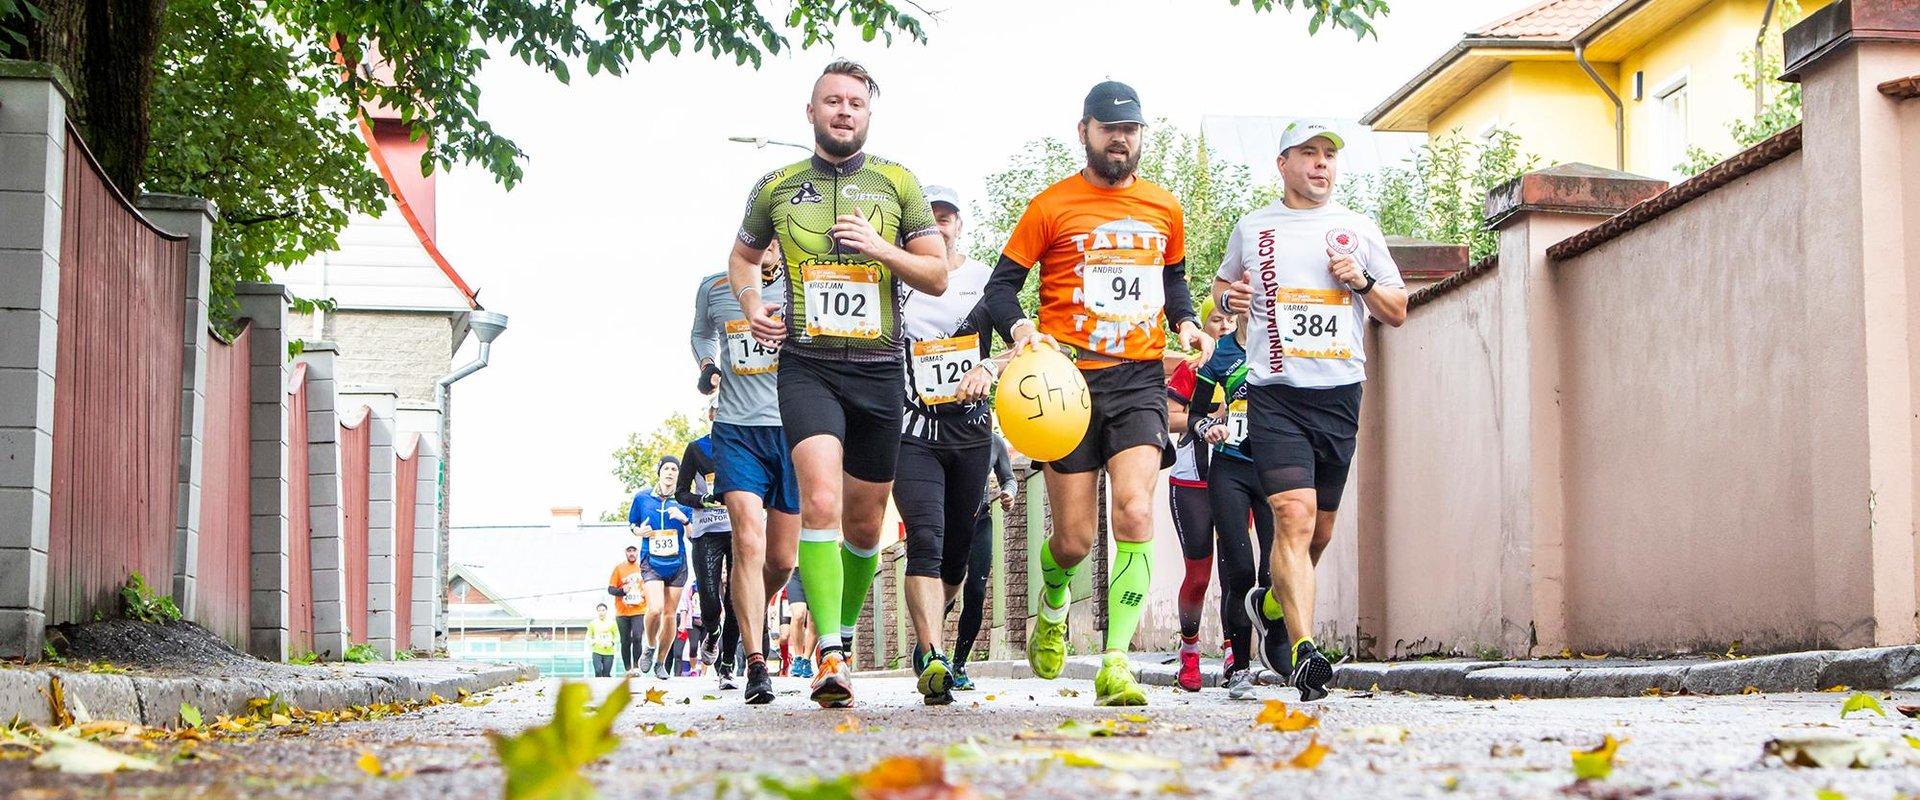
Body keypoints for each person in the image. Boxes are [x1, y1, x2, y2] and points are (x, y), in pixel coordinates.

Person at [982, 80, 1213, 707]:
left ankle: (1117, 661)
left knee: (1135, 512)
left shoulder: (1166, 208)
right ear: (1083, 131)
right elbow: (1000, 291)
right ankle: (1053, 599)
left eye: (1131, 129)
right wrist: (1026, 332)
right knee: (1074, 539)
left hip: (1138, 377)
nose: (1120, 138)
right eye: (1109, 128)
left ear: (1141, 136)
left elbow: (1174, 284)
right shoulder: (1050, 206)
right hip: (1067, 386)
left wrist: (1188, 321)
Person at [727, 59, 948, 708]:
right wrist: (750, 303)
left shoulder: (897, 183)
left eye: (855, 102)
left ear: (869, 114)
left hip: (880, 369)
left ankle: (843, 635)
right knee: (818, 500)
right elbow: (742, 256)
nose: (844, 111)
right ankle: (828, 651)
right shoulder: (775, 185)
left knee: (862, 523)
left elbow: (935, 275)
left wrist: (881, 249)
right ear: (811, 112)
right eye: (832, 101)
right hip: (808, 365)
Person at [1212, 120, 1408, 701]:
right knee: (1292, 520)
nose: (1322, 165)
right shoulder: (1254, 227)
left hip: (1339, 392)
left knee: (1318, 531)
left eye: (1329, 156)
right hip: (1276, 391)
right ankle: (1303, 651)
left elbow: (1396, 309)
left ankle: (1271, 602)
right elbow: (1222, 287)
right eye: (1309, 154)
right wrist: (1231, 298)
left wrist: (1363, 280)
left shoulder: (1357, 229)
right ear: (1283, 164)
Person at [887, 184, 1003, 706]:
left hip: (972, 434)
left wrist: (987, 366)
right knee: (926, 542)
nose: (938, 226)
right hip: (913, 434)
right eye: (928, 220)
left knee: (956, 555)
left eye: (947, 218)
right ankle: (931, 653)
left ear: (960, 225)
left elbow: (1022, 345)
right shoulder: (894, 281)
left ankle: (941, 615)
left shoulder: (983, 280)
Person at [692, 236, 803, 704]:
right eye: (760, 240)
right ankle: (756, 665)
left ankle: (743, 619)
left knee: (779, 561)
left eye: (778, 241)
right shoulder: (714, 287)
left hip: (794, 430)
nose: (769, 248)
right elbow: (700, 333)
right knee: (748, 540)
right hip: (736, 430)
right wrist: (708, 364)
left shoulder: (803, 286)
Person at [1184, 304, 1270, 700]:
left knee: (1274, 571)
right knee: (1240, 571)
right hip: (1231, 469)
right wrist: (1208, 428)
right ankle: (1240, 667)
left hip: (1275, 470)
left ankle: (1279, 641)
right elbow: (1194, 415)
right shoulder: (1218, 354)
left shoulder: (1280, 344)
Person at [1165, 299, 1236, 692]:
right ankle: (1189, 653)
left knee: (1235, 572)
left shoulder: (1250, 363)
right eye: (1216, 319)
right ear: (1204, 325)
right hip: (1192, 480)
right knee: (1199, 575)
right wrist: (1202, 421)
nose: (1224, 325)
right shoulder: (1192, 368)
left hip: (1236, 475)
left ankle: (1233, 653)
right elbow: (1169, 415)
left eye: (1230, 319)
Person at [677, 403, 740, 691]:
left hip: (739, 529)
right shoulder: (697, 448)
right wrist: (701, 501)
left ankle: (727, 667)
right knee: (711, 601)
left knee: (737, 601)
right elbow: (681, 491)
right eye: (718, 409)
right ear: (711, 415)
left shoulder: (745, 443)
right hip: (706, 531)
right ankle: (712, 631)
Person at [948, 433, 1016, 691]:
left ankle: (959, 665)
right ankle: (931, 649)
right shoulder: (948, 429)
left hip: (980, 522)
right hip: (949, 523)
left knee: (976, 592)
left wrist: (1008, 493)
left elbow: (1008, 478)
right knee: (946, 593)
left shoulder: (994, 442)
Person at [629, 456, 692, 680]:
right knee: (655, 608)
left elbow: (694, 535)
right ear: (659, 472)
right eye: (666, 468)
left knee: (669, 615)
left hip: (677, 562)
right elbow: (633, 524)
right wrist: (639, 532)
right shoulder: (642, 498)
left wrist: (685, 520)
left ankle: (661, 662)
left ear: (678, 474)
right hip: (651, 561)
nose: (670, 472)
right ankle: (650, 644)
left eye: (674, 469)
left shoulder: (684, 499)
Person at [605, 545, 648, 673]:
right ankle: (628, 668)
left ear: (637, 552)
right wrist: (622, 591)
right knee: (625, 640)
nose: (631, 553)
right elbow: (610, 589)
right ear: (625, 553)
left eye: (633, 551)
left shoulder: (644, 567)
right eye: (629, 551)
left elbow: (651, 585)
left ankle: (636, 666)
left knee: (637, 637)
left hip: (639, 610)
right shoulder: (619, 568)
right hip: (622, 611)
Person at [781, 569, 815, 677]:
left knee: (814, 619)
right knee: (799, 614)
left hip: (817, 571)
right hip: (795, 573)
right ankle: (798, 657)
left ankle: (806, 659)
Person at [587, 603, 618, 678]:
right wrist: (592, 641)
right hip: (596, 651)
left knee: (606, 674)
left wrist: (612, 643)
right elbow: (588, 636)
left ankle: (606, 688)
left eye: (603, 610)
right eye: (599, 610)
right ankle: (597, 688)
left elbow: (617, 636)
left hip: (609, 652)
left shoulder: (612, 623)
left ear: (606, 611)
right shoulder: (592, 623)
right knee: (598, 671)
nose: (601, 612)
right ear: (597, 612)